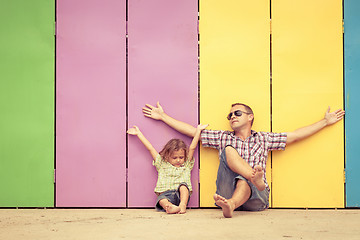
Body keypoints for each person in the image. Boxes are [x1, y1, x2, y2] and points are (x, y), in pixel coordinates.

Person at [142, 102, 345, 218]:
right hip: (227, 194)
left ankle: (249, 183)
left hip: (257, 198)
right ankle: (239, 194)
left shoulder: (263, 138)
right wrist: (164, 117)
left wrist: (325, 122)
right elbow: (192, 131)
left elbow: (294, 135)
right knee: (229, 151)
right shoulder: (224, 137)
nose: (232, 117)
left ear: (250, 117)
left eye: (237, 113)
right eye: (230, 114)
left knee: (245, 179)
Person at [127, 124, 208, 214]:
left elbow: (192, 147)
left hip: (180, 195)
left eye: (181, 157)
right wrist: (139, 134)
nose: (178, 160)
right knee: (161, 199)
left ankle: (182, 205)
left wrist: (198, 131)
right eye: (174, 158)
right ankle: (169, 207)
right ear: (167, 156)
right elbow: (150, 148)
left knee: (184, 187)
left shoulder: (186, 164)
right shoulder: (162, 163)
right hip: (166, 194)